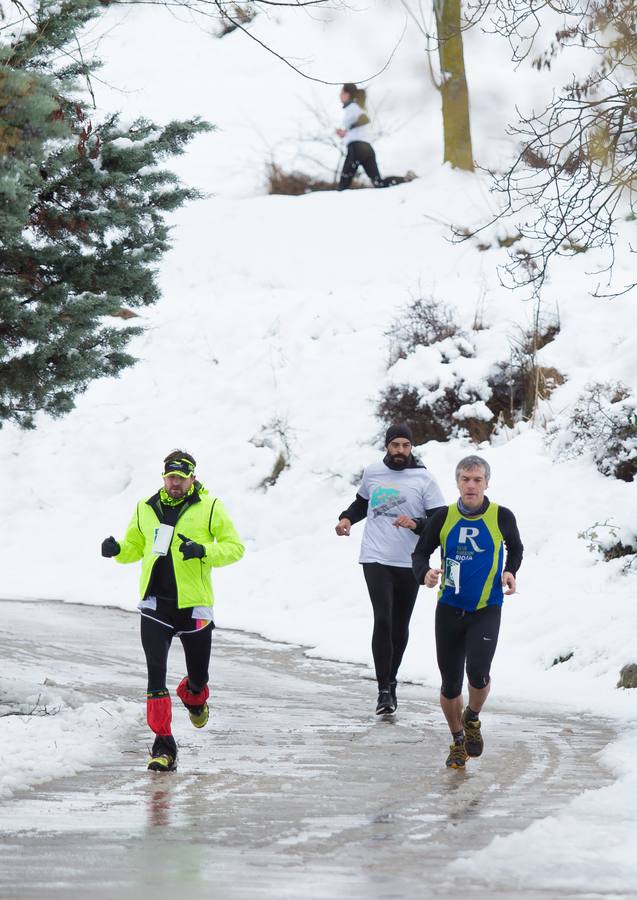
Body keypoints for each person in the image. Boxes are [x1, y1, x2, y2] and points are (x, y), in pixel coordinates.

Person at [101, 449, 244, 772]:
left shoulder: (210, 507)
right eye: (170, 476)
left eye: (181, 476)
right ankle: (163, 746)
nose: (175, 482)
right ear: (164, 477)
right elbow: (135, 547)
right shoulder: (146, 507)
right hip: (155, 605)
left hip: (194, 605)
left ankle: (194, 696)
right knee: (155, 675)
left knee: (199, 677)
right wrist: (117, 550)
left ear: (193, 477)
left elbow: (235, 548)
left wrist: (202, 550)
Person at [412, 455, 523, 769]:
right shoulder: (443, 517)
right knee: (449, 684)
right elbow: (420, 552)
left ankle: (472, 716)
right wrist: (424, 574)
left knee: (477, 673)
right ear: (457, 482)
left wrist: (510, 571)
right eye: (465, 479)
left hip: (486, 608)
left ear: (487, 483)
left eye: (477, 479)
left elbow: (516, 548)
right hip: (448, 609)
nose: (471, 485)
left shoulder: (502, 516)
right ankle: (458, 740)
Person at [335, 424, 445, 715]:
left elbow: (438, 522)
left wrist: (416, 524)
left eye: (405, 446)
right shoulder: (373, 472)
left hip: (409, 561)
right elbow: (362, 502)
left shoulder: (424, 480)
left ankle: (392, 679)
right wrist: (347, 518)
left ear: (411, 448)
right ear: (387, 446)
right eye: (395, 445)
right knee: (382, 619)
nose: (400, 451)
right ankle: (384, 689)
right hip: (375, 556)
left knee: (399, 625)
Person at [336, 83, 416, 191]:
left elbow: (365, 119)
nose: (339, 95)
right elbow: (360, 124)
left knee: (343, 184)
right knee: (379, 183)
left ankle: (336, 204)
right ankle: (407, 180)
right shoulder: (356, 107)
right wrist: (345, 132)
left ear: (347, 94)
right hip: (366, 148)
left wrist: (348, 129)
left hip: (357, 148)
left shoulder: (353, 107)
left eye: (341, 93)